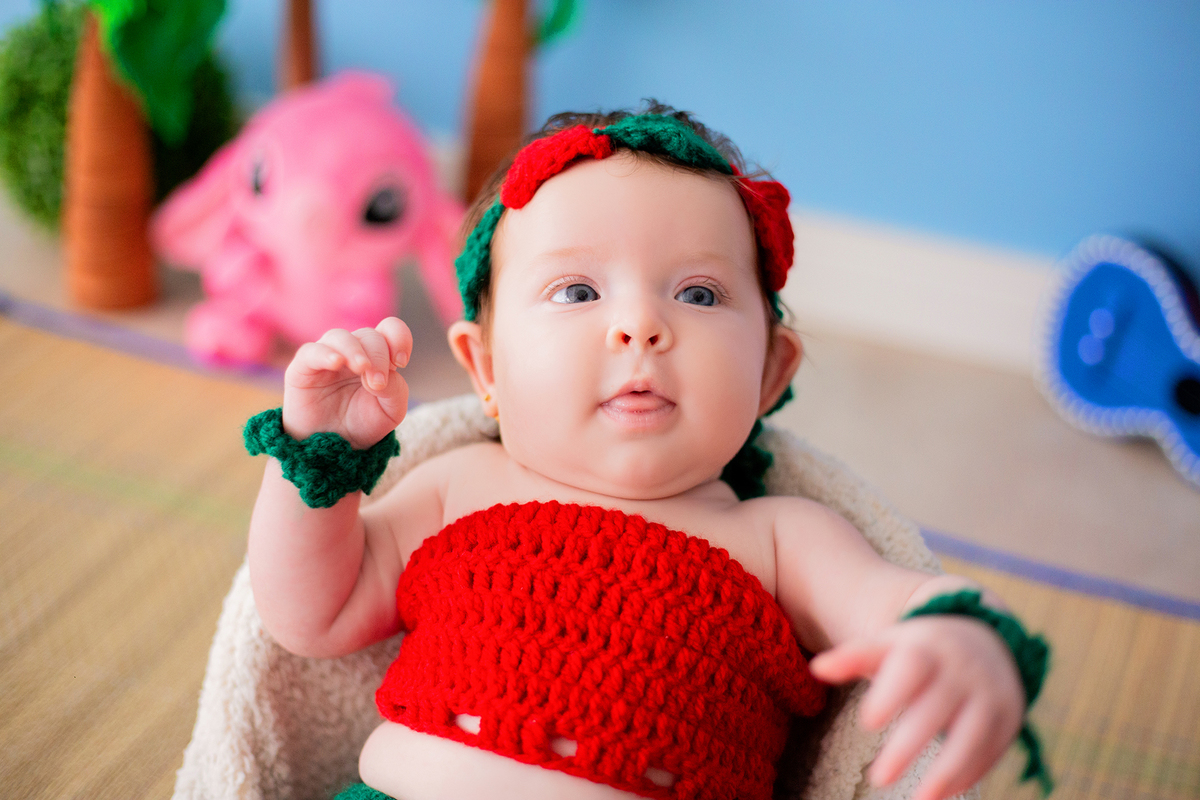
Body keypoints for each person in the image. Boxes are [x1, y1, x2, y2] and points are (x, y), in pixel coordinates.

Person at [244, 104, 1050, 800]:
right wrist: (319, 455)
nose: (639, 325)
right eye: (578, 291)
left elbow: (894, 602)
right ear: (486, 368)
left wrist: (967, 634)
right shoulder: (459, 486)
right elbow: (312, 612)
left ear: (770, 373)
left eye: (698, 293)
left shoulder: (781, 539)